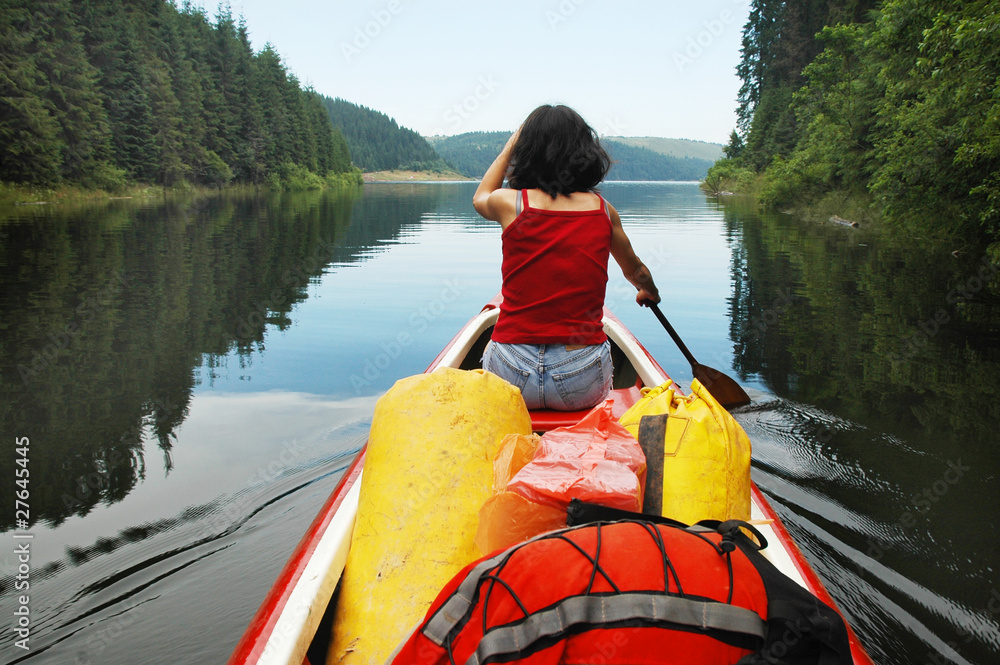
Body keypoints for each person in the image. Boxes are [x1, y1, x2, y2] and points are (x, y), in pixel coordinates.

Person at [472, 104, 660, 411]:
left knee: (495, 353)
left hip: (512, 374)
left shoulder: (511, 204)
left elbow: (480, 196)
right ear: (585, 153)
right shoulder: (602, 210)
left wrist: (511, 143)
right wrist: (650, 291)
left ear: (526, 152)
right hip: (579, 378)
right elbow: (636, 271)